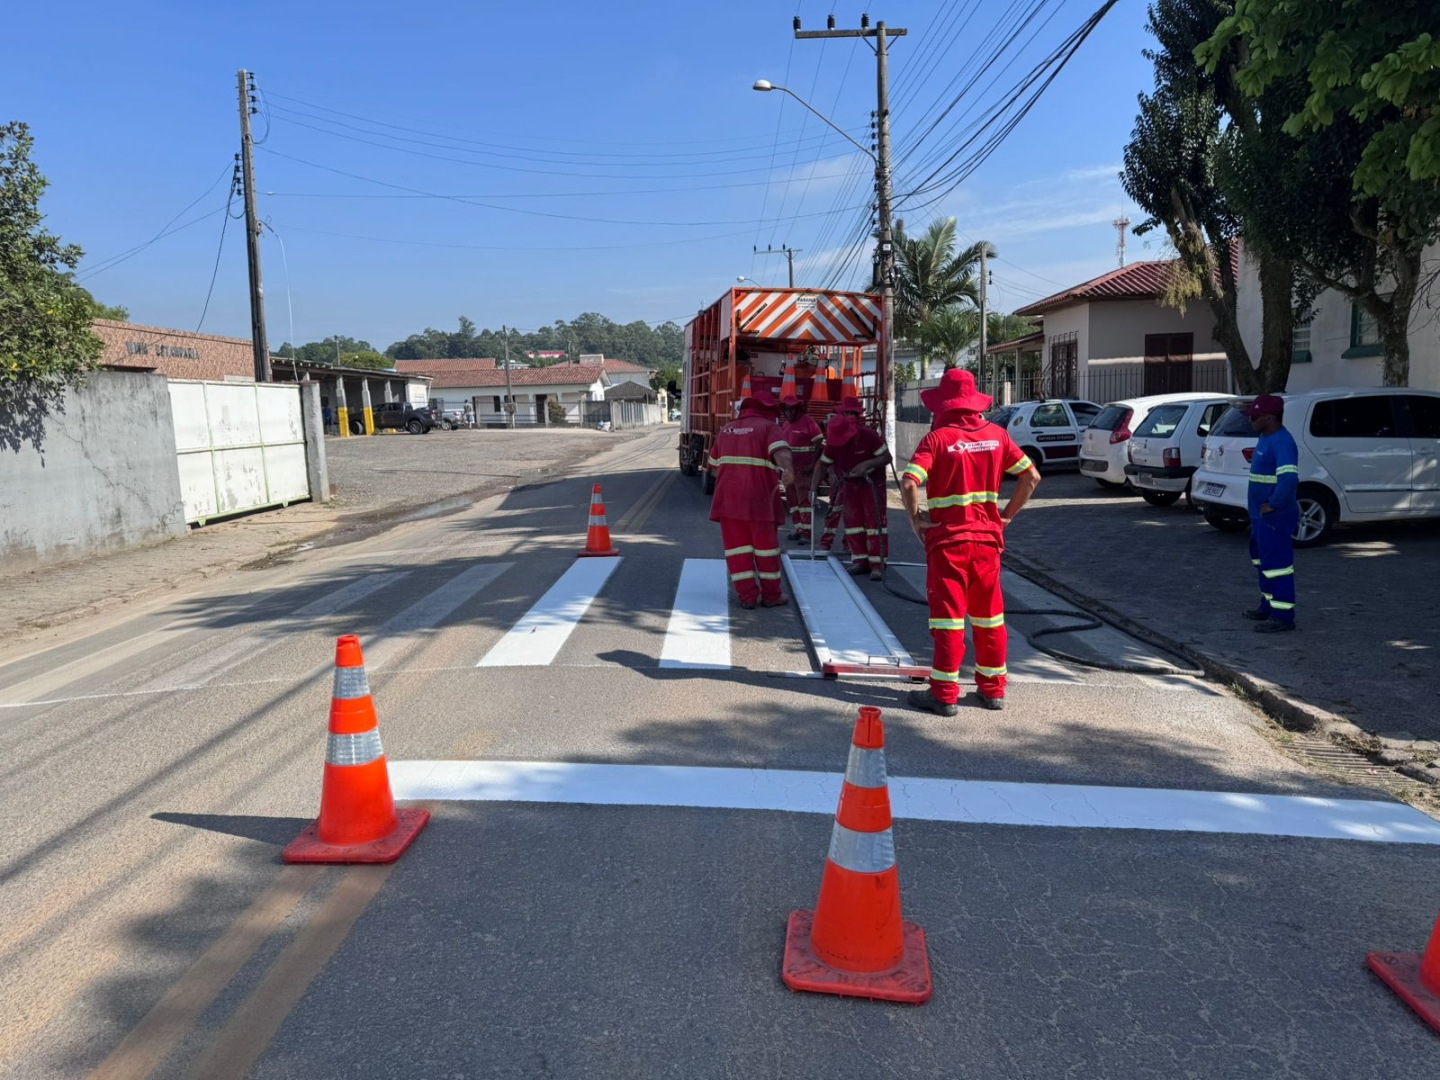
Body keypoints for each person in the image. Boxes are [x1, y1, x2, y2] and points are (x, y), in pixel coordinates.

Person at [900, 369, 1041, 715]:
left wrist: (916, 520)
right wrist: (1006, 515)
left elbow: (909, 482)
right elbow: (1031, 476)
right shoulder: (997, 435)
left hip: (948, 543)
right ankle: (992, 691)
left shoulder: (937, 439)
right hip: (987, 542)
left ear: (942, 405)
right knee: (989, 618)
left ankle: (944, 694)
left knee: (949, 621)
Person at [707, 390, 795, 609]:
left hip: (728, 503)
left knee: (737, 550)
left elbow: (713, 467)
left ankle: (747, 597)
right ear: (768, 411)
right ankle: (771, 596)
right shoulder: (768, 427)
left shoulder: (726, 430)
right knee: (766, 549)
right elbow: (781, 452)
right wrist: (788, 469)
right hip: (760, 501)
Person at [812, 396, 891, 580]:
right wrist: (813, 489)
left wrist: (867, 464)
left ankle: (877, 565)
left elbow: (887, 458)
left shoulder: (869, 436)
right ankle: (860, 561)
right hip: (850, 486)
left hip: (872, 486)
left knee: (874, 524)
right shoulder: (833, 442)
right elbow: (822, 466)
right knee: (853, 525)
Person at [1240, 393, 1299, 633]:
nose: (1250, 420)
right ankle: (1268, 606)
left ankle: (1283, 616)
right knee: (1263, 562)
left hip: (1275, 517)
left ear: (1269, 417)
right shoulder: (1265, 438)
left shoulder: (1281, 441)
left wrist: (1274, 504)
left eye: (1255, 416)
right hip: (1260, 517)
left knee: (1277, 565)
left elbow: (1289, 478)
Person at [779, 393, 823, 542]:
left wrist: (812, 464)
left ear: (798, 409)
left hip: (803, 470)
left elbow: (819, 442)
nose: (790, 412)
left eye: (792, 409)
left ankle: (806, 533)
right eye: (787, 409)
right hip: (790, 470)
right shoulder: (785, 425)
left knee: (804, 502)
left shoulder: (808, 422)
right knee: (792, 501)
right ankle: (798, 529)